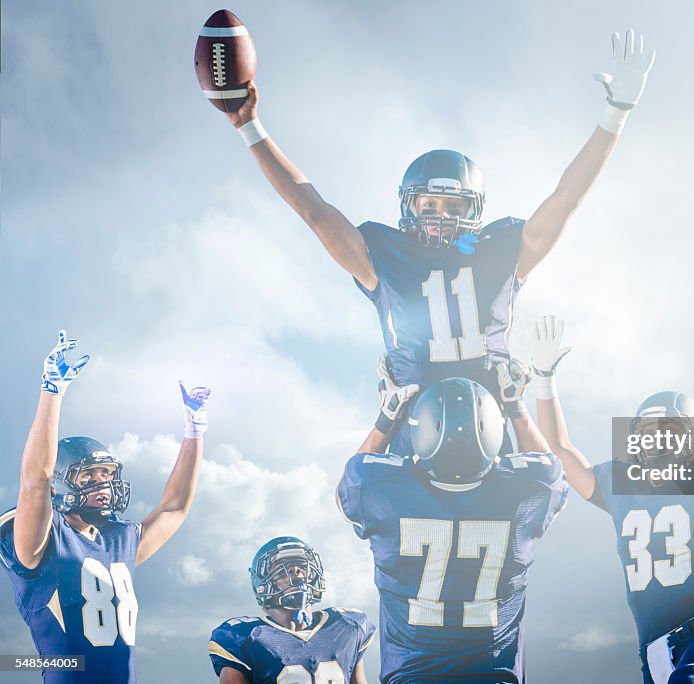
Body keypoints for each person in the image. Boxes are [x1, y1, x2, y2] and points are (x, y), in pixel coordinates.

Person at [218, 29, 655, 453]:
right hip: (412, 438)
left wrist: (616, 113)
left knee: (545, 486)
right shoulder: (382, 256)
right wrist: (249, 127)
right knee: (358, 494)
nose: (439, 218)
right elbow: (312, 209)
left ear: (474, 211)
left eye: (452, 208)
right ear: (411, 206)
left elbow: (566, 199)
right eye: (429, 206)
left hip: (493, 435)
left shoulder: (500, 249)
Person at [530, 315, 694, 684]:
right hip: (653, 646)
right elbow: (559, 449)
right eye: (649, 431)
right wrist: (544, 378)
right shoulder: (620, 485)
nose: (658, 440)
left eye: (670, 430)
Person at [0, 330, 211, 684]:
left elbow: (174, 508)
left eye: (107, 473)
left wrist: (195, 430)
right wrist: (52, 390)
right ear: (61, 483)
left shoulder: (118, 539)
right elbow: (35, 482)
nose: (103, 483)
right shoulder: (44, 537)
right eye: (89, 475)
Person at [337, 377, 567, 683]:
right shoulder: (527, 492)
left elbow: (344, 494)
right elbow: (549, 466)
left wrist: (386, 419)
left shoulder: (381, 489)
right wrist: (516, 407)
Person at [208, 537, 375, 684]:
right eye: (282, 568)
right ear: (262, 584)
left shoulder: (347, 627)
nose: (296, 571)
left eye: (301, 565)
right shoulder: (246, 637)